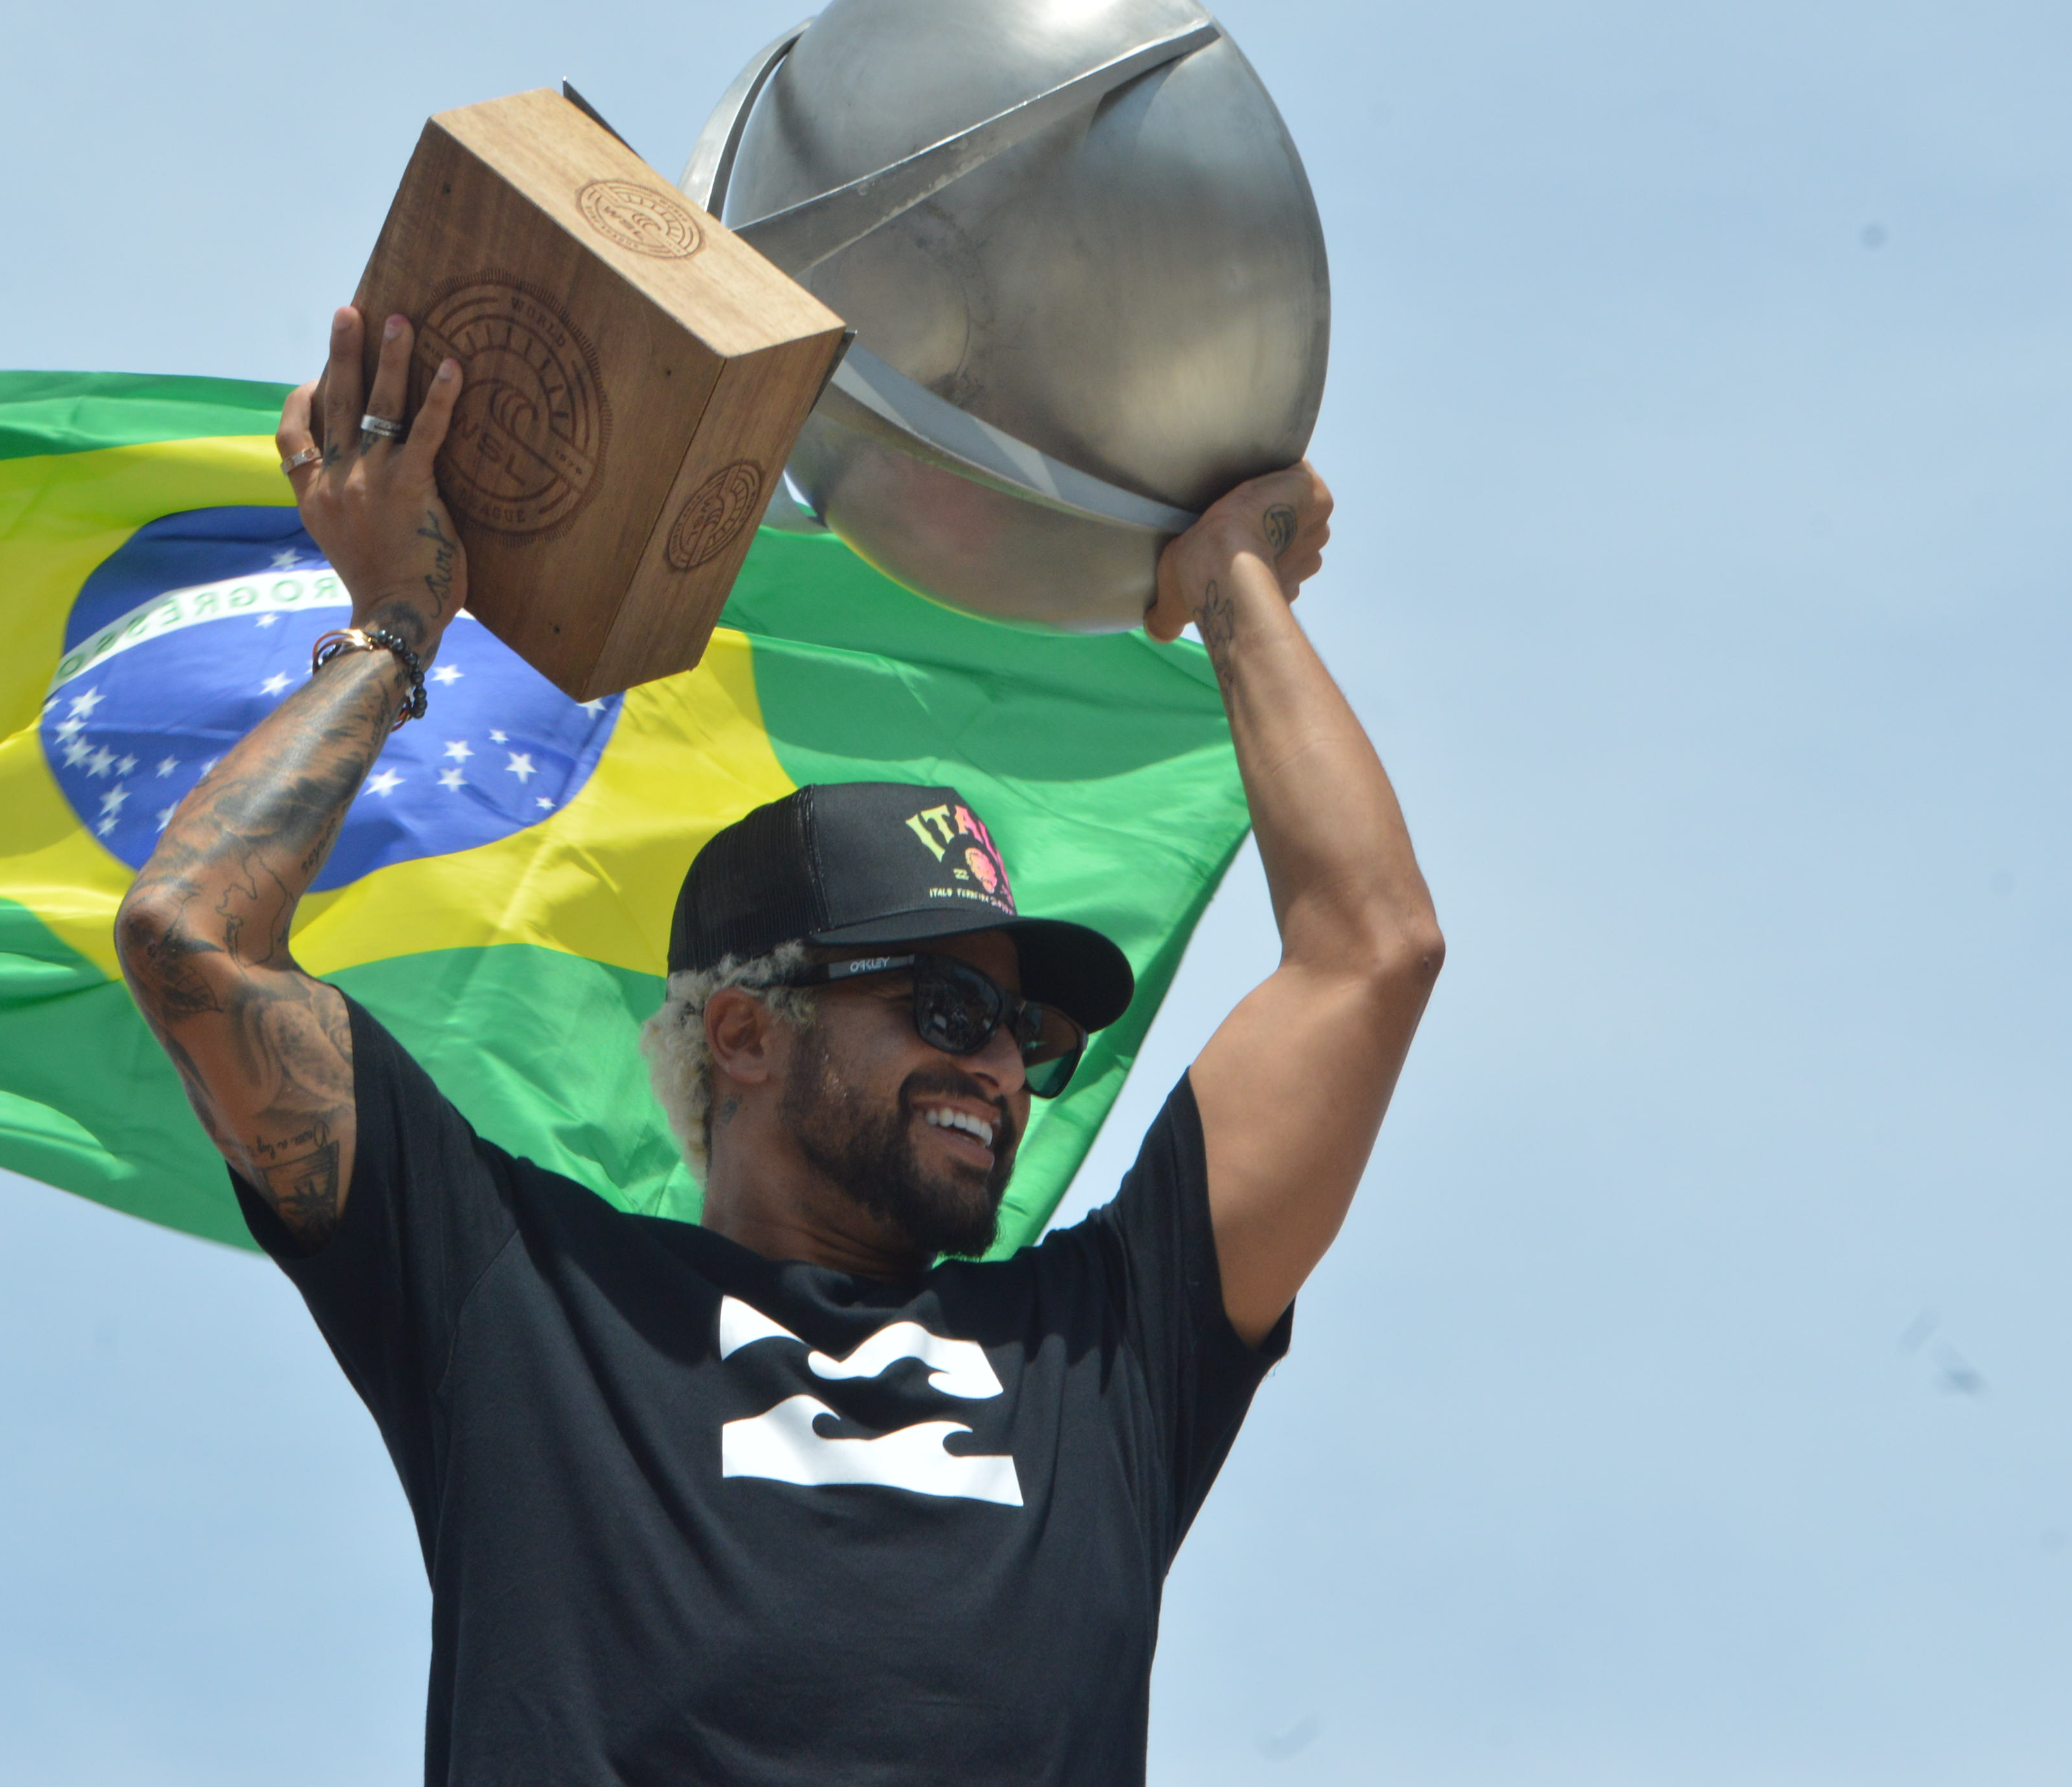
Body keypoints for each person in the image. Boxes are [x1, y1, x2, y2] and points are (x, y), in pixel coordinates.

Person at [113, 306, 1444, 1784]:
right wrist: (400, 623)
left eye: (1021, 1032)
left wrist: (1234, 587)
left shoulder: (1108, 1354)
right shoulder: (520, 1297)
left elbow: (1371, 954)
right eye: (943, 1010)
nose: (999, 1067)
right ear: (744, 1032)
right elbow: (194, 941)